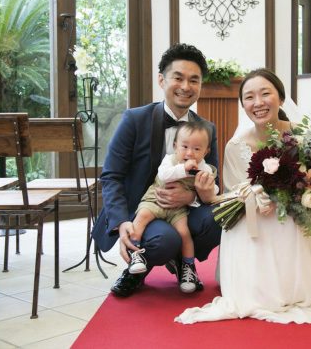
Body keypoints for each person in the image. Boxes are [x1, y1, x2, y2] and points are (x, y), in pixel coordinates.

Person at [176, 69, 311, 324]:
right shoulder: (236, 146)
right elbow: (235, 193)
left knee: (296, 217)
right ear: (243, 105)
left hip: (296, 211)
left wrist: (300, 191)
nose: (258, 103)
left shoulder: (303, 137)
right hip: (255, 216)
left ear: (280, 98)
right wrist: (259, 197)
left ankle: (301, 282)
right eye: (249, 97)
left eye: (265, 94)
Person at [92, 43, 221, 298]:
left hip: (184, 210)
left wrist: (191, 195)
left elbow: (214, 178)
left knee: (218, 217)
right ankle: (138, 268)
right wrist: (121, 221)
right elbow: (111, 175)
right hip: (144, 206)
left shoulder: (207, 129)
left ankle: (183, 262)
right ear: (162, 80)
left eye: (194, 80)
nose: (186, 86)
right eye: (178, 78)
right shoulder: (134, 119)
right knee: (164, 241)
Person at [128, 121, 219, 293]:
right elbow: (164, 175)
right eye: (185, 147)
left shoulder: (204, 168)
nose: (190, 153)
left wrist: (207, 188)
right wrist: (184, 168)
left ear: (206, 151)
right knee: (141, 218)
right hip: (154, 200)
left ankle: (187, 268)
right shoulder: (169, 160)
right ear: (175, 146)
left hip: (178, 209)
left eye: (197, 149)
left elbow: (214, 189)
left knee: (184, 233)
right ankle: (135, 254)